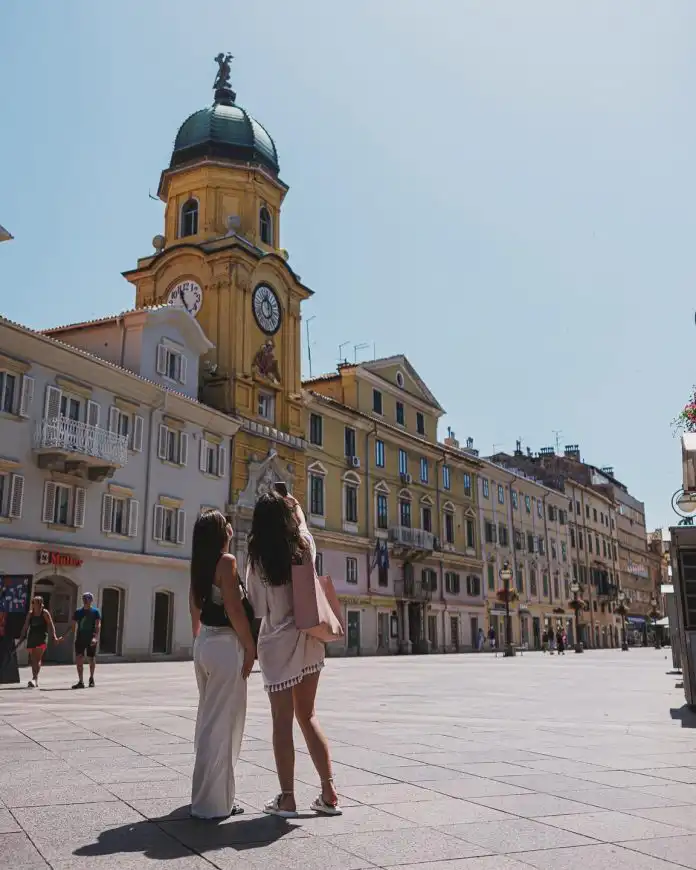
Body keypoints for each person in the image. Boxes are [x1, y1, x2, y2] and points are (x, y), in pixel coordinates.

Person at [247, 491, 341, 819]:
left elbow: (258, 607)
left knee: (282, 722)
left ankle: (287, 798)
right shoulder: (304, 546)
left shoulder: (257, 557)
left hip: (276, 643)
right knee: (308, 715)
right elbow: (304, 529)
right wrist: (297, 507)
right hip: (309, 637)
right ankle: (329, 793)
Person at [189, 510, 256, 820]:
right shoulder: (226, 563)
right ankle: (213, 805)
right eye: (224, 522)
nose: (231, 524)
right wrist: (251, 646)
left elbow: (194, 606)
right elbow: (233, 609)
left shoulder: (199, 564)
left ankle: (208, 796)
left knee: (208, 721)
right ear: (221, 532)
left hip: (204, 644)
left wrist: (199, 640)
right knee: (223, 725)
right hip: (225, 646)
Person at [18, 596, 60, 688]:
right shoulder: (30, 614)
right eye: (33, 602)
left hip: (42, 637)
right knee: (33, 660)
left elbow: (51, 625)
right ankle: (35, 679)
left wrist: (54, 636)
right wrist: (21, 638)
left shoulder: (44, 613)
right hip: (32, 637)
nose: (33, 604)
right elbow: (25, 626)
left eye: (35, 602)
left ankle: (34, 678)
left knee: (37, 658)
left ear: (40, 604)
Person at [63, 593, 101, 689]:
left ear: (91, 600)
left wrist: (95, 637)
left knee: (91, 658)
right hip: (80, 638)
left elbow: (98, 625)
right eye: (84, 598)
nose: (85, 600)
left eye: (87, 599)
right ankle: (81, 681)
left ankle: (91, 678)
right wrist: (63, 636)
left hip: (90, 638)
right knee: (79, 659)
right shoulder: (78, 612)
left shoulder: (95, 612)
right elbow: (72, 625)